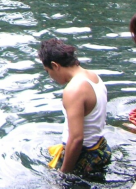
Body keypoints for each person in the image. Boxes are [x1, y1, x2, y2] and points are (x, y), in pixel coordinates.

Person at [39, 39, 111, 178]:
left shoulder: (73, 90)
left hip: (84, 158)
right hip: (100, 150)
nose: (50, 77)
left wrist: (63, 174)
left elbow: (77, 139)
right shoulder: (93, 76)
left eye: (48, 71)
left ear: (55, 65)